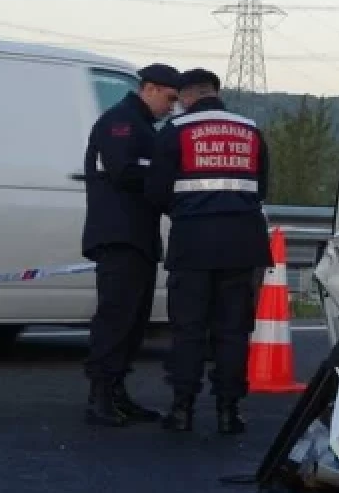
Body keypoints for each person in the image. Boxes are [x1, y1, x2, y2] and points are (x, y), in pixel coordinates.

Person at [146, 68, 272, 434]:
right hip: (243, 242)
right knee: (233, 330)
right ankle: (229, 412)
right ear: (216, 92)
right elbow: (260, 188)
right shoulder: (250, 129)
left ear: (186, 96)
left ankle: (182, 410)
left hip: (193, 242)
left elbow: (156, 192)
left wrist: (187, 211)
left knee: (188, 329)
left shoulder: (176, 131)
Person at [81, 63, 181, 427]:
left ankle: (118, 392)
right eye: (169, 98)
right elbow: (124, 171)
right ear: (150, 89)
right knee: (116, 318)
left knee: (134, 321)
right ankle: (100, 396)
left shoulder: (142, 126)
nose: (171, 107)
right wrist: (165, 178)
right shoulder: (121, 122)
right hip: (119, 235)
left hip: (137, 235)